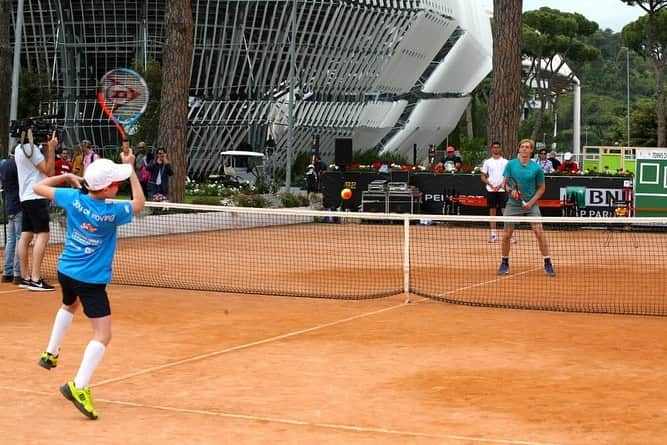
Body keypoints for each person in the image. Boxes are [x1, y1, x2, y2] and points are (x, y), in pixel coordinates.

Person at [34, 156, 145, 420]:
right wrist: (131, 171)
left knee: (69, 304)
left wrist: (66, 177)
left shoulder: (72, 198)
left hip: (66, 271)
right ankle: (79, 386)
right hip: (91, 281)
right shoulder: (112, 212)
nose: (118, 185)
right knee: (103, 335)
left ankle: (50, 352)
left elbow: (39, 188)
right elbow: (139, 202)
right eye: (115, 182)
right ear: (106, 188)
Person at [497, 139, 555, 277]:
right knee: (506, 235)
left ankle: (547, 262)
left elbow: (541, 188)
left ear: (531, 150)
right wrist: (511, 191)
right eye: (522, 147)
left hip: (531, 205)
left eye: (527, 147)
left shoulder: (536, 168)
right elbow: (504, 184)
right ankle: (504, 262)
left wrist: (531, 202)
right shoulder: (511, 165)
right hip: (513, 205)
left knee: (539, 232)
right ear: (519, 149)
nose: (524, 149)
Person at [15, 129, 57, 291]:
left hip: (26, 196)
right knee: (43, 235)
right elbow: (49, 171)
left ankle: (25, 277)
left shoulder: (20, 149)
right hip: (36, 196)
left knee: (26, 235)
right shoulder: (31, 150)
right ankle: (35, 278)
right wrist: (51, 148)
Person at [1, 148, 22, 284]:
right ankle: (17, 273)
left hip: (9, 205)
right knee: (20, 239)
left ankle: (7, 272)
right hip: (19, 204)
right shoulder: (17, 164)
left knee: (11, 239)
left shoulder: (4, 165)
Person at [480, 141, 508, 243]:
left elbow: (507, 176)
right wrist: (491, 185)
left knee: (505, 212)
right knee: (492, 212)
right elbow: (483, 176)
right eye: (494, 147)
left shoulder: (505, 162)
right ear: (491, 149)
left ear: (500, 149)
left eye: (498, 147)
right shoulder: (487, 162)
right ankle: (493, 235)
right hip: (491, 190)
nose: (496, 149)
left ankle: (509, 235)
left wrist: (501, 185)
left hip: (502, 190)